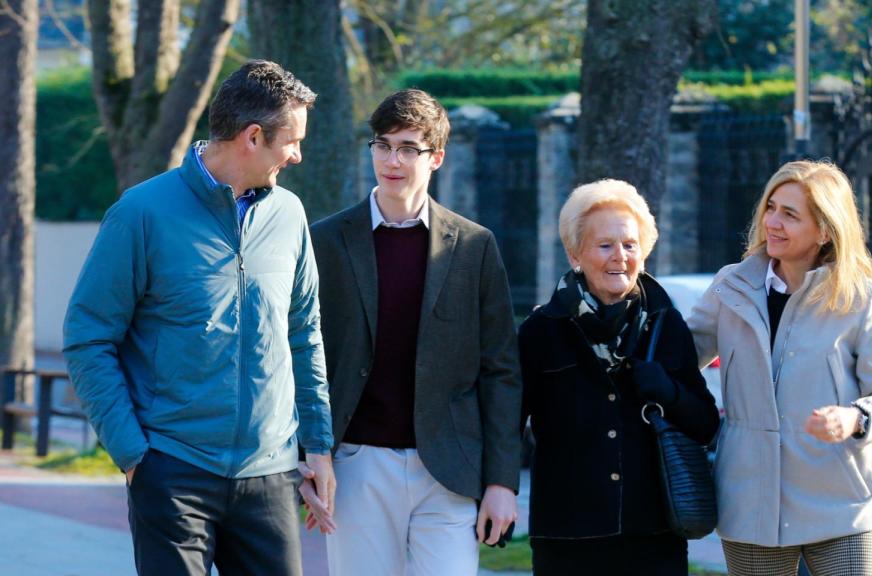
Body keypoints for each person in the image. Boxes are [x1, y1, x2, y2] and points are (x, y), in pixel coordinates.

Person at [63, 60, 336, 576]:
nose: (297, 155)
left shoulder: (290, 215)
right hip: (172, 471)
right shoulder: (141, 213)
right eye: (292, 141)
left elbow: (304, 333)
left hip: (270, 476)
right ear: (253, 137)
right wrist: (131, 452)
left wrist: (317, 445)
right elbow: (87, 338)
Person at [308, 88, 521, 576]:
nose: (392, 160)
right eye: (383, 145)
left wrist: (502, 482)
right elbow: (304, 356)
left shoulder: (474, 246)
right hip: (357, 463)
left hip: (448, 470)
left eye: (409, 148)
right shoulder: (325, 241)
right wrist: (308, 455)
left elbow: (501, 370)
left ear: (437, 157)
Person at [687, 160, 872, 576]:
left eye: (790, 215)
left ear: (826, 230)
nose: (772, 222)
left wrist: (856, 418)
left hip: (843, 508)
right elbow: (676, 359)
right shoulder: (731, 287)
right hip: (750, 506)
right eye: (771, 208)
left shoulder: (861, 300)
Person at [518, 179, 720, 576]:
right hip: (568, 535)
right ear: (576, 254)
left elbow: (706, 424)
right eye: (605, 245)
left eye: (630, 245)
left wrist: (668, 390)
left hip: (653, 534)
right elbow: (508, 421)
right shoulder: (542, 330)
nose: (620, 257)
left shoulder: (667, 325)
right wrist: (499, 491)